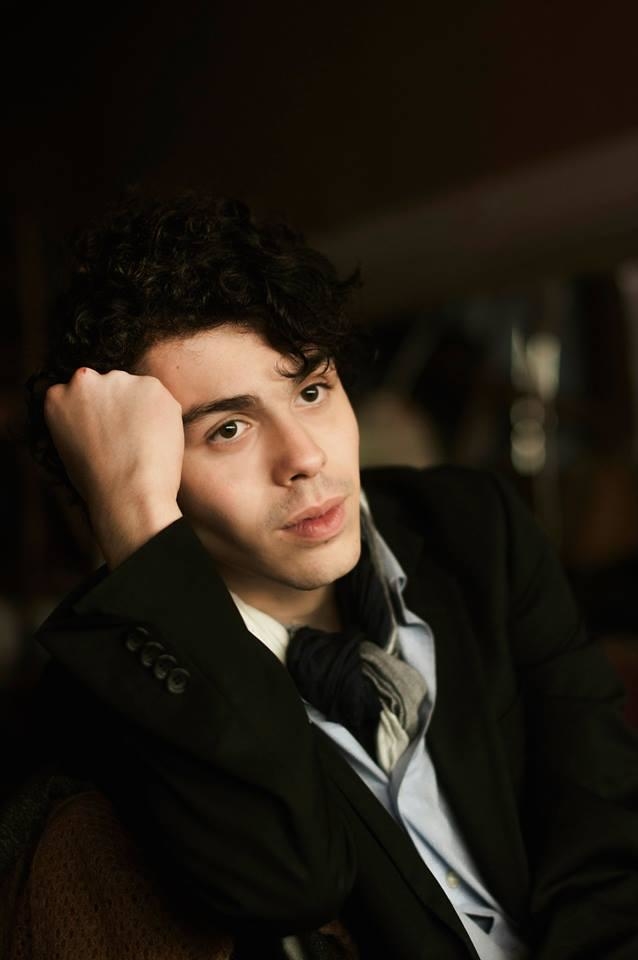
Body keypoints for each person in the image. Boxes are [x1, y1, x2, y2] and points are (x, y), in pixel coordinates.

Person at [13, 194, 638, 959]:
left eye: (311, 390)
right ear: (142, 469)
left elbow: (607, 832)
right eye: (229, 429)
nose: (305, 456)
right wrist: (134, 519)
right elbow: (289, 881)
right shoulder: (117, 682)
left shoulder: (475, 529)